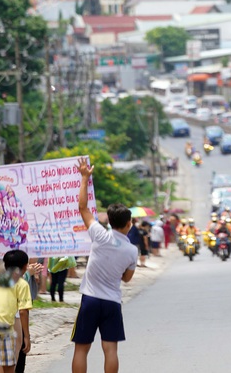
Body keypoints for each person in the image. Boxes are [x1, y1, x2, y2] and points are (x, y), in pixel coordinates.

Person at [71, 156, 139, 373]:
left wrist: (84, 177)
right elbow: (127, 279)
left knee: (81, 349)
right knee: (110, 349)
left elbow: (83, 207)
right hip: (111, 301)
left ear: (109, 221)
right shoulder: (131, 250)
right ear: (129, 224)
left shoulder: (99, 234)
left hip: (90, 299)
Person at [0, 249, 32, 373]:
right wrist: (27, 336)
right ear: (25, 267)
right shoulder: (22, 284)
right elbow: (23, 311)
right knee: (8, 366)